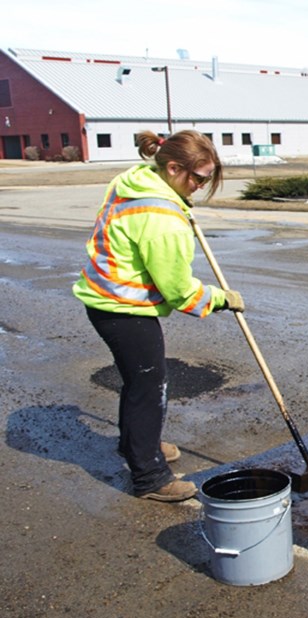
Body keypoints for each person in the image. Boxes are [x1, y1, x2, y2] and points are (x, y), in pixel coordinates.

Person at [73, 130, 244, 502]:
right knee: (150, 386)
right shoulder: (160, 216)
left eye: (205, 178)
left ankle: (137, 443)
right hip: (121, 307)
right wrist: (220, 299)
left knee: (139, 381)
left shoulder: (137, 181)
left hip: (106, 297)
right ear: (172, 167)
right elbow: (179, 291)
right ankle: (149, 475)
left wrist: (180, 200)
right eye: (197, 178)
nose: (200, 186)